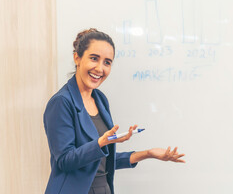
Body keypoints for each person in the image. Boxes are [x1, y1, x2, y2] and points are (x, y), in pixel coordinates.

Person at [43, 28, 185, 194]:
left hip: (103, 189)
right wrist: (101, 143)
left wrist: (148, 153)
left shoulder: (100, 99)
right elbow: (65, 161)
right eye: (94, 59)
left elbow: (102, 160)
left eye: (107, 62)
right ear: (77, 58)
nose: (100, 68)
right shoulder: (62, 102)